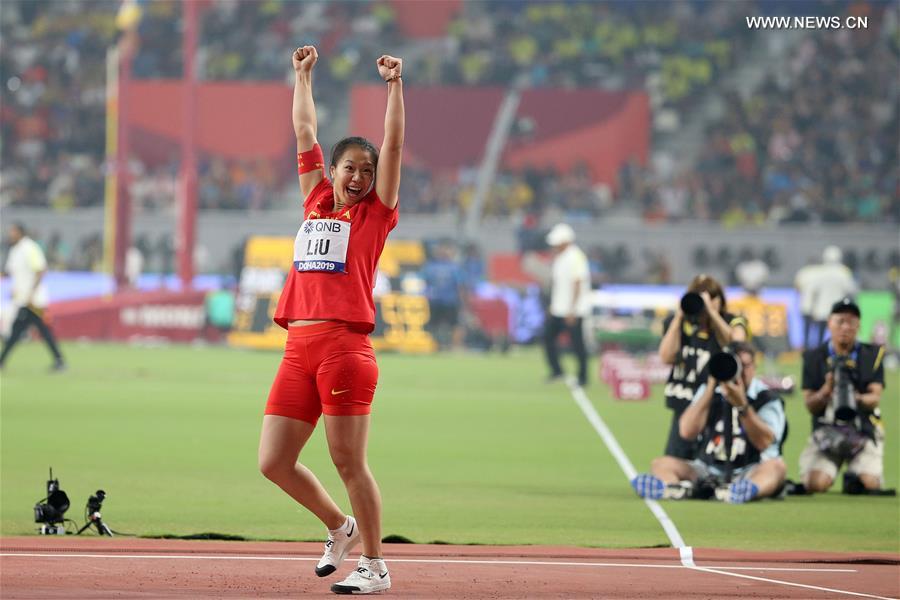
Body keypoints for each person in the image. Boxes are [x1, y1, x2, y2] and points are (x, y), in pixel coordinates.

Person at [257, 45, 403, 596]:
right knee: (273, 461)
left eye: (368, 171)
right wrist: (301, 75)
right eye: (351, 168)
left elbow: (393, 144)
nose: (360, 176)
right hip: (298, 347)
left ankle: (376, 564)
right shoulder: (315, 199)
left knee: (349, 462)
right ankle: (339, 528)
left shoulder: (376, 214)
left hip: (345, 348)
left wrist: (393, 88)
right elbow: (302, 130)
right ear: (334, 171)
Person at [632, 342, 787, 503]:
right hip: (707, 469)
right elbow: (686, 431)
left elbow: (765, 442)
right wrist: (711, 387)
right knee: (661, 463)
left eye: (745, 366)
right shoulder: (710, 392)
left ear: (754, 367)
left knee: (777, 468)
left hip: (751, 468)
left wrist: (742, 405)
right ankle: (676, 488)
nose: (739, 373)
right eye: (735, 366)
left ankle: (744, 491)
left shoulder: (766, 398)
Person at [657, 275, 748, 461]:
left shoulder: (733, 321)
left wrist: (713, 314)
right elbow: (666, 356)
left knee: (713, 462)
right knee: (675, 461)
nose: (705, 304)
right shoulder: (679, 324)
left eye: (711, 297)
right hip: (685, 402)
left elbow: (737, 345)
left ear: (720, 300)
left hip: (719, 405)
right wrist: (679, 316)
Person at [799, 298, 886, 493]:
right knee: (814, 484)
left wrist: (857, 398)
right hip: (827, 430)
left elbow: (874, 399)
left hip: (864, 429)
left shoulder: (873, 355)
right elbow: (810, 405)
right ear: (829, 322)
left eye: (851, 322)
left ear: (859, 326)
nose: (845, 327)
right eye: (840, 321)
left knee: (869, 485)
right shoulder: (813, 357)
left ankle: (858, 475)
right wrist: (826, 390)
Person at [0, 223, 66, 371]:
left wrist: (31, 294)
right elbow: (11, 273)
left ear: (20, 232)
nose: (10, 234)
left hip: (34, 301)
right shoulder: (15, 250)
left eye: (13, 231)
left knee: (23, 330)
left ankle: (60, 361)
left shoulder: (29, 248)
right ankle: (59, 360)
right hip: (23, 300)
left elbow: (41, 270)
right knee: (27, 330)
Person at [543, 223, 590, 387]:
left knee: (578, 345)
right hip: (558, 308)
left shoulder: (576, 257)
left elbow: (577, 283)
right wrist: (552, 305)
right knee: (548, 338)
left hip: (573, 311)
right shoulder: (559, 258)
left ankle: (583, 377)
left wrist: (572, 309)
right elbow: (558, 285)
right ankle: (557, 371)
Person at [806, 246, 857, 347]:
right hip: (838, 310)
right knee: (839, 336)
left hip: (821, 310)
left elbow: (812, 291)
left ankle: (820, 356)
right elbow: (852, 290)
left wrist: (811, 308)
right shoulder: (843, 272)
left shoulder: (819, 272)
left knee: (820, 337)